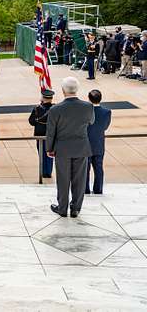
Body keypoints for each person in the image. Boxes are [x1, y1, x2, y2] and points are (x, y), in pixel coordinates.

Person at [45, 77, 94, 218]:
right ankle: (76, 208)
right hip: (81, 148)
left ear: (63, 90)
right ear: (77, 89)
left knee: (63, 179)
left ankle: (62, 208)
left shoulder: (55, 109)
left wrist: (49, 148)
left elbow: (51, 132)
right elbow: (91, 121)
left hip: (62, 149)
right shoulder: (88, 107)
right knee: (79, 180)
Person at [86, 89, 111, 195]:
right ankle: (98, 189)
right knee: (99, 168)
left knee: (85, 170)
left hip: (86, 144)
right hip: (99, 143)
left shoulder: (85, 112)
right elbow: (105, 126)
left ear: (89, 99)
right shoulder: (106, 112)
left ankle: (85, 189)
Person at [28, 89, 55, 178]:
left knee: (42, 153)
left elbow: (31, 122)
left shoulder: (37, 109)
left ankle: (43, 172)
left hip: (40, 134)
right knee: (50, 154)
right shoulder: (55, 109)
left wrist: (38, 121)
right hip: (51, 135)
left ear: (43, 98)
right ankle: (49, 172)